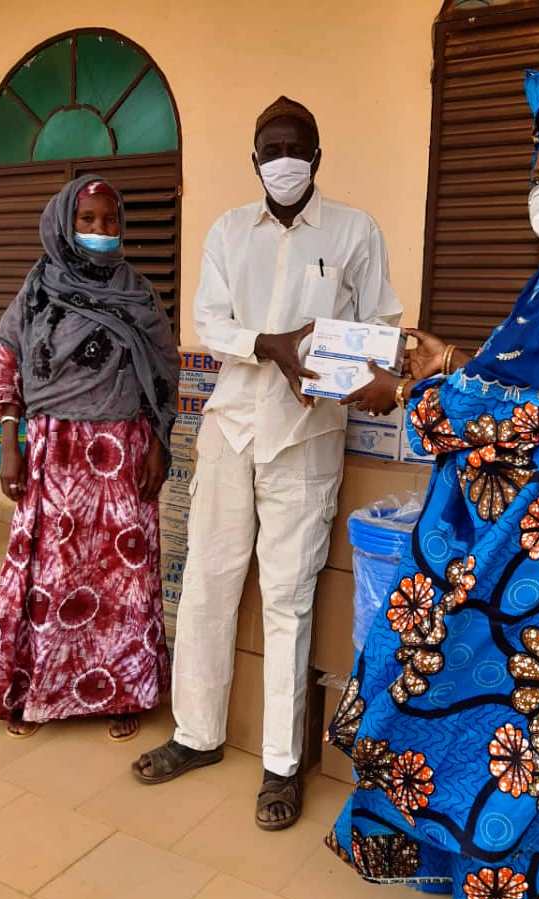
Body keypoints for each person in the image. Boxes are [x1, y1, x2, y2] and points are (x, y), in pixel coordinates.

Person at [322, 70, 539, 899]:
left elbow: (510, 405)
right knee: (527, 701)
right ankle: (494, 872)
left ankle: (508, 882)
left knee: (496, 692)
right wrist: (447, 363)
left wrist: (406, 393)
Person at [133, 96, 402, 829]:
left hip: (307, 434)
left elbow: (380, 324)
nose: (283, 157)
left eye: (296, 145)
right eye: (270, 146)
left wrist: (329, 364)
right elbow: (209, 321)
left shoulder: (355, 230)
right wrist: (270, 344)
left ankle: (283, 766)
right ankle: (196, 735)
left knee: (287, 595)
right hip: (230, 424)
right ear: (254, 159)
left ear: (317, 155)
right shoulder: (226, 230)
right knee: (208, 583)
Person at [0, 175, 179, 742]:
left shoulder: (137, 293)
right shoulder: (36, 290)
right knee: (49, 576)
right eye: (87, 221)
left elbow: (163, 373)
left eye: (110, 221)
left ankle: (124, 691)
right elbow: (4, 366)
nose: (100, 231)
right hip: (52, 452)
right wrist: (8, 447)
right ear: (65, 224)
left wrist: (160, 446)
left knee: (122, 580)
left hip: (122, 452)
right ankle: (37, 691)